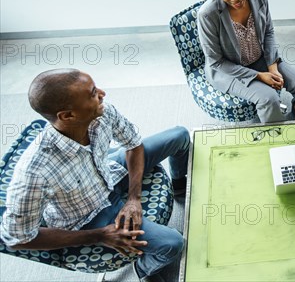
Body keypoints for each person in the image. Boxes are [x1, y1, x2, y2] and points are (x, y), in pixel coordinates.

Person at [0, 69, 190, 282]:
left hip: (110, 172)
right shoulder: (34, 173)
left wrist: (134, 199)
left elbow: (133, 144)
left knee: (179, 135)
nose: (102, 93)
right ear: (68, 115)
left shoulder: (102, 112)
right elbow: (15, 238)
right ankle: (143, 270)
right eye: (92, 93)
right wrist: (100, 235)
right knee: (172, 244)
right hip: (88, 216)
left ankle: (180, 186)